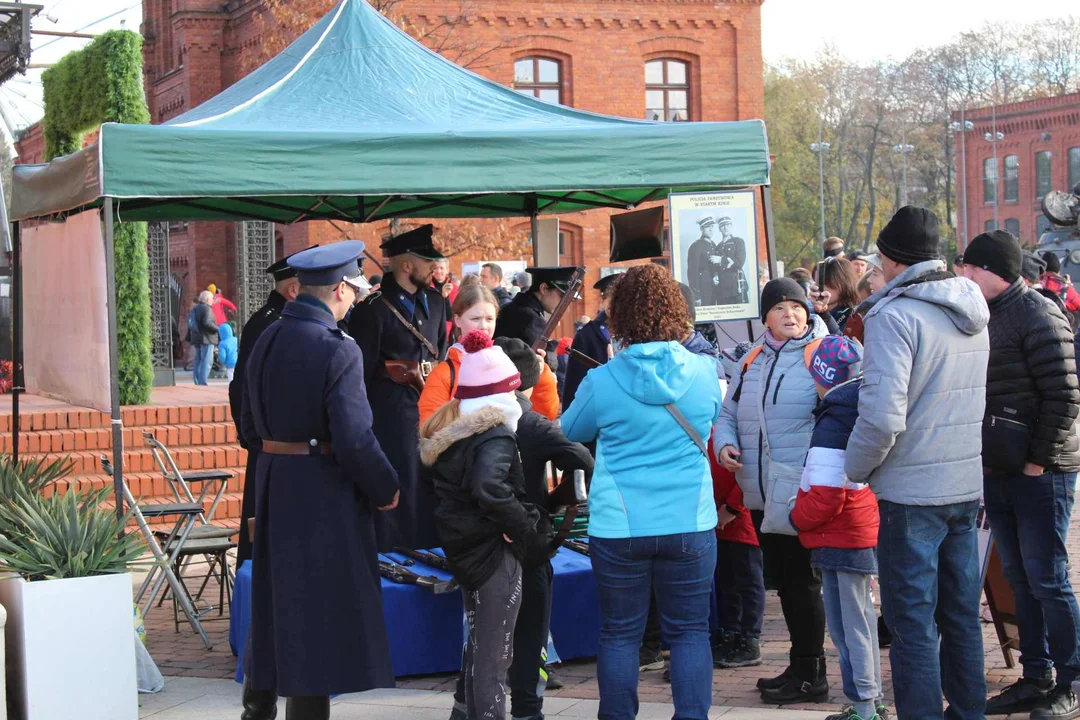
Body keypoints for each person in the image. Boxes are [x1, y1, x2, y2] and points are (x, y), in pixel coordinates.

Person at [240, 241, 400, 720]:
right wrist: (385, 486)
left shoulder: (267, 335)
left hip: (274, 483)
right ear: (336, 291)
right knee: (313, 618)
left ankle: (257, 710)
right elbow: (353, 437)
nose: (353, 299)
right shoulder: (338, 349)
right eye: (352, 291)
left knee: (274, 607)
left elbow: (248, 425)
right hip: (320, 491)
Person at [846, 206, 989, 720]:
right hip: (961, 482)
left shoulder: (894, 315)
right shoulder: (971, 307)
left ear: (890, 258)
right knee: (959, 616)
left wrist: (854, 469)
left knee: (911, 624)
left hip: (912, 491)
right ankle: (969, 711)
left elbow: (882, 417)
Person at [562, 264, 723, 720]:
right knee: (690, 633)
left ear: (619, 317)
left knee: (620, 634)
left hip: (620, 525)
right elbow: (711, 420)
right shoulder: (704, 372)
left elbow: (572, 430)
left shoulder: (603, 380)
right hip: (690, 520)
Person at [962, 231, 1080, 720]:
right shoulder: (985, 314)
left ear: (991, 270)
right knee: (1020, 577)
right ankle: (1037, 675)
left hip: (1041, 471)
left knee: (1048, 579)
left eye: (970, 267)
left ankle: (1072, 680)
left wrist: (1036, 460)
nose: (964, 275)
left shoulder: (1037, 311)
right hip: (1001, 468)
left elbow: (1065, 395)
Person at [713, 278, 831, 704]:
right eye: (780, 308)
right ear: (765, 317)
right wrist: (725, 443)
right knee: (786, 583)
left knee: (804, 582)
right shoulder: (752, 359)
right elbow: (728, 412)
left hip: (802, 491)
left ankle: (812, 674)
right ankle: (800, 665)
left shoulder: (823, 353)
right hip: (761, 492)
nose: (790, 315)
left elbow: (841, 412)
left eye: (796, 307)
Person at [419, 330, 541, 720]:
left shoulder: (457, 433)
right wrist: (522, 525)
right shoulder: (496, 435)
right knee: (494, 660)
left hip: (467, 549)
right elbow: (490, 486)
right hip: (493, 554)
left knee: (480, 655)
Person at [790, 337, 887, 720]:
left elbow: (827, 494)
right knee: (854, 621)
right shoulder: (856, 406)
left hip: (841, 533)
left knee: (851, 626)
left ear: (822, 377)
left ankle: (865, 706)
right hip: (850, 530)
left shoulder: (836, 418)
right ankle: (867, 700)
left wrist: (796, 516)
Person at [499, 336, 594, 720]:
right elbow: (583, 458)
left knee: (480, 633)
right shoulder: (533, 423)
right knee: (531, 632)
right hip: (529, 540)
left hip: (479, 541)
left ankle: (466, 705)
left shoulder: (463, 416)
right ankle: (526, 709)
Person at [348, 224, 449, 552]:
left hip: (431, 409)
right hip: (390, 415)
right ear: (406, 265)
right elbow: (360, 375)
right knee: (401, 487)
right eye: (425, 261)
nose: (433, 267)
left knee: (432, 486)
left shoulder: (436, 303)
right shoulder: (373, 309)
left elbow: (442, 354)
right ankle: (395, 557)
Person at [229, 254, 303, 567]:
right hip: (270, 444)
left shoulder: (278, 320)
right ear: (294, 290)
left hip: (279, 444)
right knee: (266, 532)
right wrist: (254, 440)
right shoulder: (268, 324)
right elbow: (241, 388)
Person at [419, 285, 561, 426]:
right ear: (457, 320)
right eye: (475, 319)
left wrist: (540, 375)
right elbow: (430, 430)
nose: (483, 326)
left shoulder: (510, 359)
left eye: (489, 319)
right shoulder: (443, 373)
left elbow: (546, 414)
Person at [708, 436, 764, 670]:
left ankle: (750, 639)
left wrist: (732, 508)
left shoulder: (732, 434)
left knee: (748, 582)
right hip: (717, 519)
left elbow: (747, 472)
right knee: (726, 582)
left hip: (742, 522)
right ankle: (731, 634)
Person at [562, 273, 619, 410]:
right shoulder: (587, 335)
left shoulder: (638, 331)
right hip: (597, 409)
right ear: (603, 301)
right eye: (612, 300)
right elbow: (574, 383)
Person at [495, 266, 583, 351]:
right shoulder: (531, 318)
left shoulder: (515, 308)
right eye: (561, 296)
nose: (564, 305)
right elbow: (535, 362)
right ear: (544, 288)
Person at [811, 256, 860, 332]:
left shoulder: (855, 315)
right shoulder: (810, 311)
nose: (817, 287)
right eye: (815, 281)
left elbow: (840, 342)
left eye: (824, 282)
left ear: (843, 283)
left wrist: (824, 313)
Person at [188, 290, 219, 386]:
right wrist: (217, 328)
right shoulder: (207, 309)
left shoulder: (195, 308)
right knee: (207, 360)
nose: (212, 300)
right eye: (211, 298)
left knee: (198, 359)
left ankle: (197, 380)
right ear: (207, 299)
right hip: (207, 337)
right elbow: (206, 323)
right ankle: (203, 382)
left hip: (196, 337)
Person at [1040, 252, 1080, 317]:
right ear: (1058, 270)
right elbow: (1078, 303)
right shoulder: (1064, 286)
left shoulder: (1034, 281)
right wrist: (1069, 285)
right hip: (1060, 323)